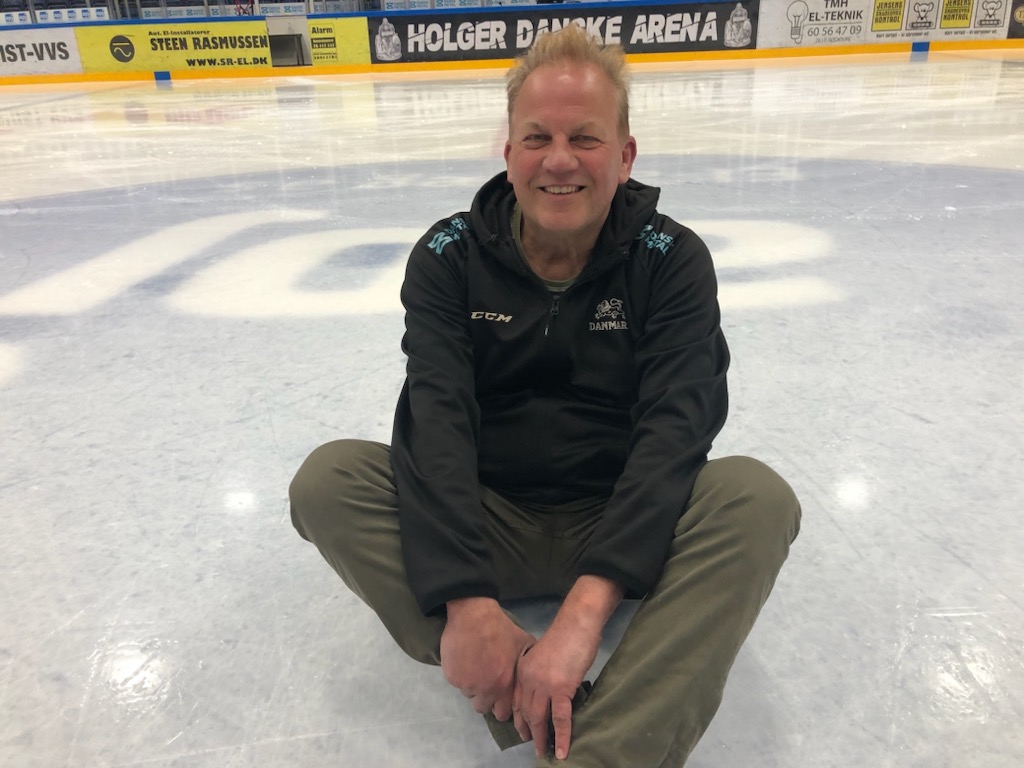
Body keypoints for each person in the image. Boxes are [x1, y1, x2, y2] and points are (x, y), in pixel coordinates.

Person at [289, 23, 801, 768]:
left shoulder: (674, 260)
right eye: (537, 138)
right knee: (329, 481)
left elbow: (674, 431)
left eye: (585, 138)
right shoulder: (448, 256)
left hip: (622, 518)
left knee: (756, 499)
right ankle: (517, 678)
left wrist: (585, 617)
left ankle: (591, 752)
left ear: (624, 157)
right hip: (491, 519)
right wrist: (467, 601)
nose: (559, 161)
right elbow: (436, 419)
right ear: (508, 151)